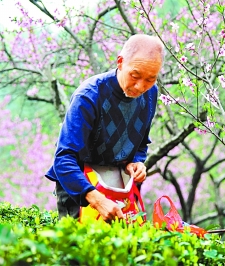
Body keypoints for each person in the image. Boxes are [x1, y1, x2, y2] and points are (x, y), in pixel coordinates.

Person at [45, 34, 164, 223]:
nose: (141, 86)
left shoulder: (151, 94)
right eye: (135, 75)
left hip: (118, 183)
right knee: (80, 248)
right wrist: (97, 199)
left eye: (150, 79)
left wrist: (136, 162)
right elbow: (64, 158)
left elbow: (140, 143)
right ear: (120, 62)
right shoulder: (89, 96)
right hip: (81, 184)